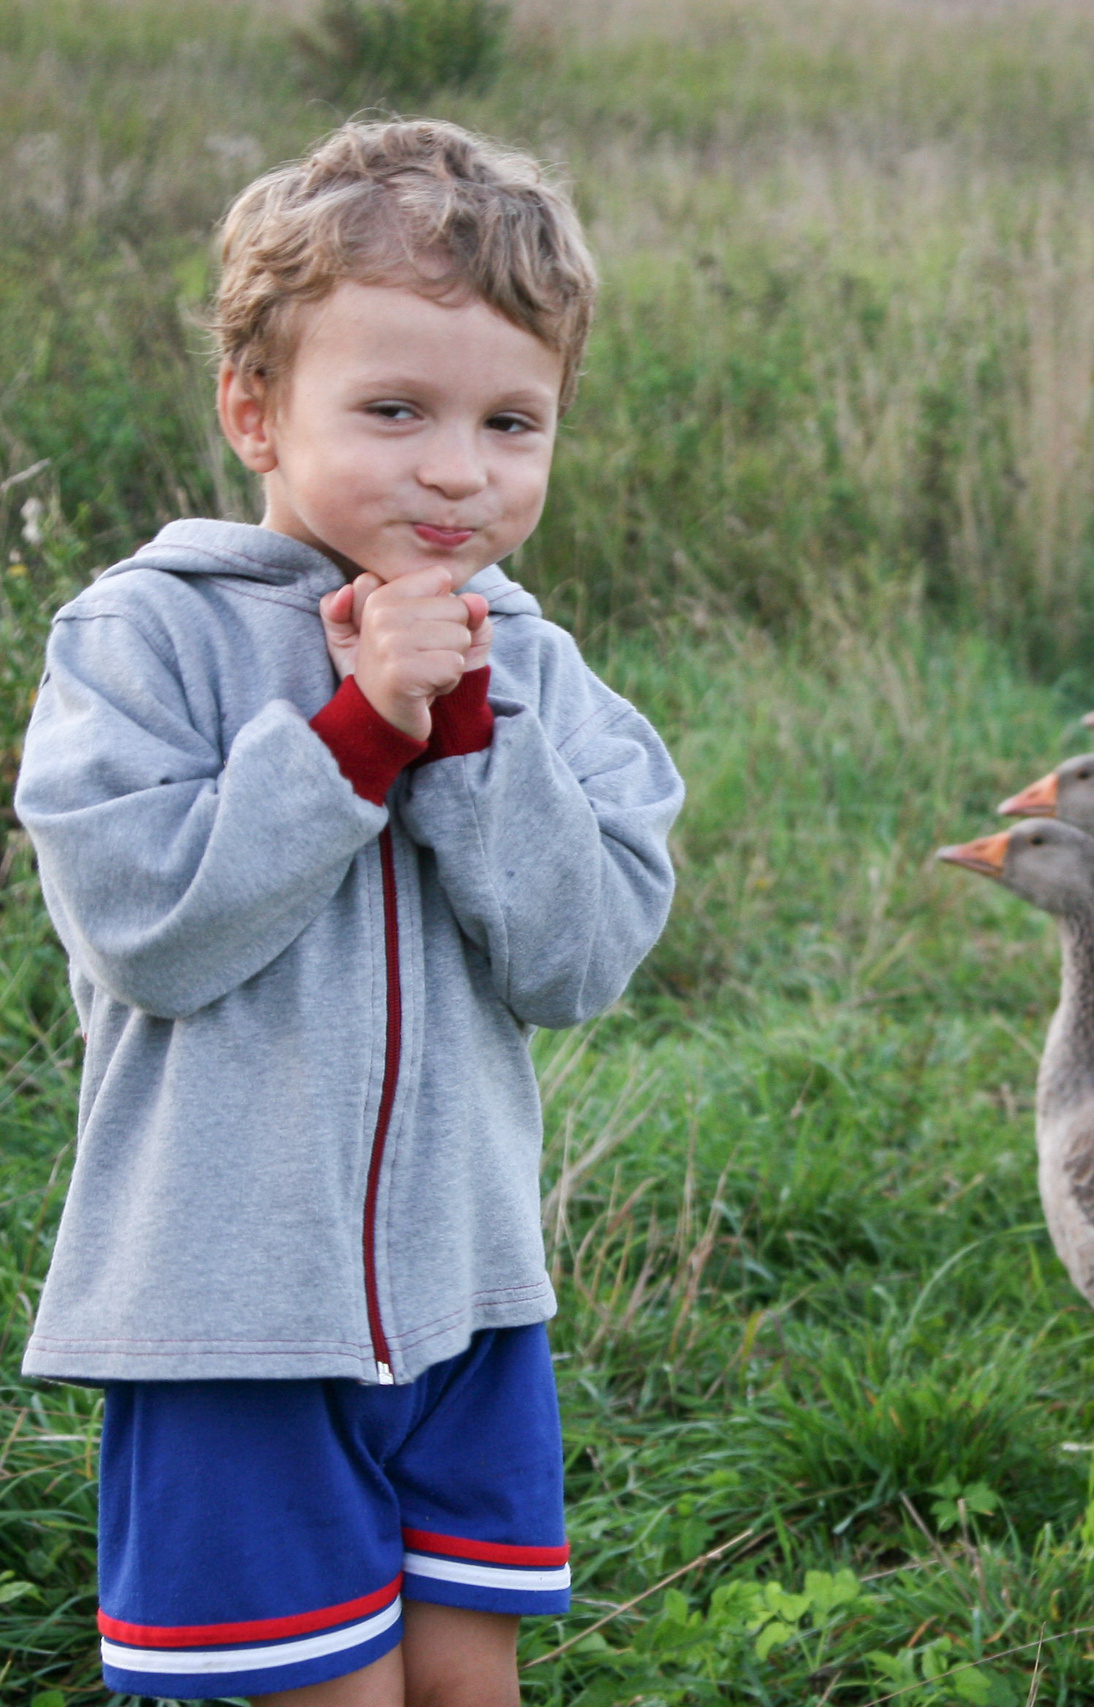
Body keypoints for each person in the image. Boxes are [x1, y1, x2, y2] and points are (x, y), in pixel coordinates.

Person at [12, 118, 683, 1705]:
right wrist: (354, 733)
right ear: (256, 407)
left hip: (471, 1301)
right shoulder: (139, 640)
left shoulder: (545, 672)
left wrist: (466, 745)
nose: (458, 468)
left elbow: (579, 959)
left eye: (512, 422)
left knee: (467, 1683)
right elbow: (153, 931)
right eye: (395, 410)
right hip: (232, 1320)